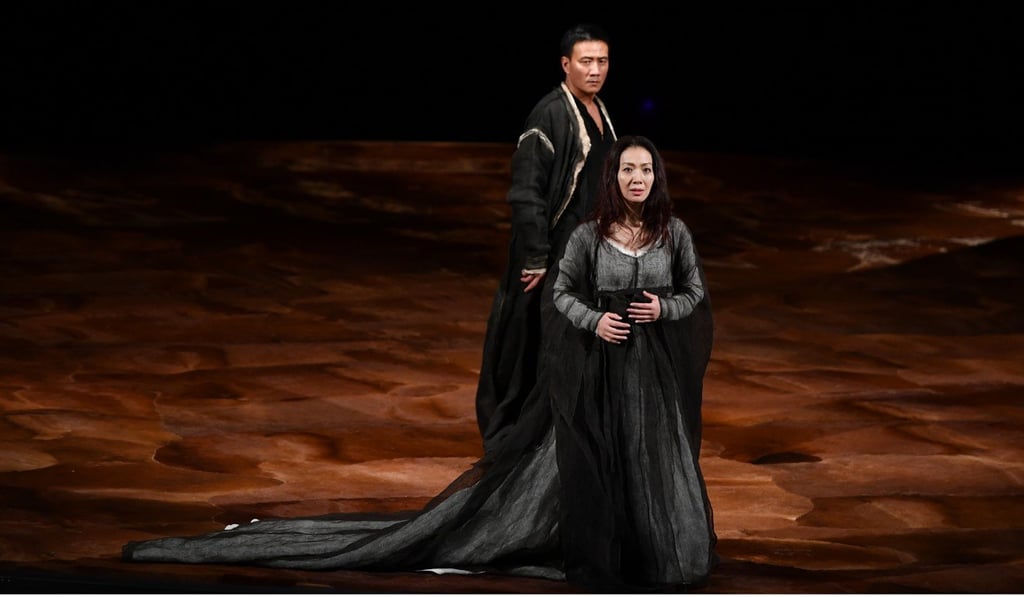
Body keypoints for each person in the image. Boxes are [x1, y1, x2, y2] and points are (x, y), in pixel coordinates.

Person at [121, 135, 716, 592]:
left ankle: (653, 546)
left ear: (656, 178)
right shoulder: (589, 236)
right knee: (594, 462)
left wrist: (663, 306)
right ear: (613, 178)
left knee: (654, 463)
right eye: (626, 169)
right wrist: (595, 320)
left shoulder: (675, 233)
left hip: (653, 378)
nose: (636, 178)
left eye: (645, 170)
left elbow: (695, 295)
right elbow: (562, 295)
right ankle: (598, 550)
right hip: (599, 372)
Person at [475, 22, 617, 456]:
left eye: (602, 61)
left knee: (577, 342)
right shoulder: (550, 113)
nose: (595, 70)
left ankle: (573, 437)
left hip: (586, 252)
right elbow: (526, 191)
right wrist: (536, 257)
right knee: (545, 343)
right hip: (555, 254)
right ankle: (533, 444)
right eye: (586, 61)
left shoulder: (598, 110)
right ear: (565, 64)